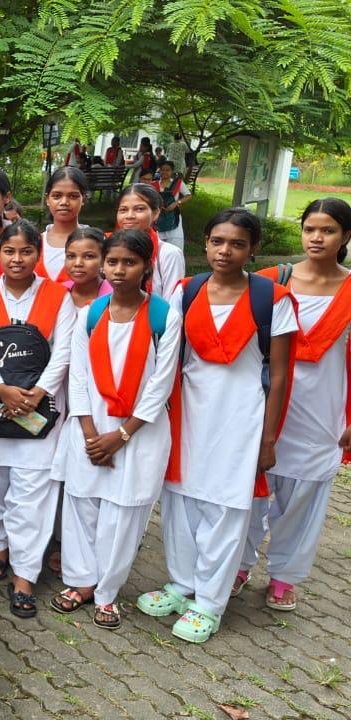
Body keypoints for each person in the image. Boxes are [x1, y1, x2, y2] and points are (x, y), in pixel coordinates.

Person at [137, 208, 295, 643]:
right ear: (204, 243)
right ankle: (181, 584)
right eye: (218, 241)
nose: (226, 250)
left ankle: (208, 602)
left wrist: (269, 437)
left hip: (242, 419)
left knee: (226, 508)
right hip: (189, 414)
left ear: (253, 248)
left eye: (238, 243)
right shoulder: (188, 291)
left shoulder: (272, 298)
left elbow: (279, 373)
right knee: (180, 502)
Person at [52, 229, 180, 629]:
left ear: (146, 267)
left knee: (123, 515)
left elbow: (161, 384)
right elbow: (78, 376)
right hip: (90, 426)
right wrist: (91, 432)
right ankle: (80, 581)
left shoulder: (164, 316)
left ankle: (107, 592)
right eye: (113, 262)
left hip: (138, 432)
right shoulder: (91, 313)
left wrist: (121, 435)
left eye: (130, 262)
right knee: (82, 505)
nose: (120, 270)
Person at [238, 198, 351, 612]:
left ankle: (284, 576)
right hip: (265, 406)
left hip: (323, 410)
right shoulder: (270, 282)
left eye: (328, 231)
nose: (317, 238)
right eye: (310, 229)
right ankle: (239, 563)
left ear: (345, 237)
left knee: (304, 495)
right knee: (250, 491)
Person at [0, 220, 76, 618]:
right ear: (0, 253)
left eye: (26, 251)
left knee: (31, 498)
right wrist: (2, 390)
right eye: (10, 251)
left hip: (38, 412)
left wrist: (36, 394)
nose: (17, 259)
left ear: (39, 254)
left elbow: (63, 350)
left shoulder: (56, 296)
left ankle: (25, 576)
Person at [114, 183, 185, 299]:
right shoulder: (108, 248)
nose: (130, 216)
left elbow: (172, 303)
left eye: (139, 209)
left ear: (156, 213)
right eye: (123, 210)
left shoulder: (169, 254)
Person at [39, 167, 89, 282]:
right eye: (57, 196)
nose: (64, 202)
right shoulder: (34, 242)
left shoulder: (97, 243)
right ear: (47, 199)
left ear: (84, 199)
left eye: (73, 196)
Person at [63, 227, 110, 307]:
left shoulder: (115, 297)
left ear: (103, 260)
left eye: (88, 256)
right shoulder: (58, 291)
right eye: (71, 256)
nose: (78, 263)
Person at [155, 161, 192, 249]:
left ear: (172, 171)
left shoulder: (178, 183)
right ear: (159, 171)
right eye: (162, 170)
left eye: (168, 170)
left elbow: (188, 196)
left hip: (174, 217)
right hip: (158, 218)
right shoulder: (154, 184)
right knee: (158, 244)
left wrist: (176, 203)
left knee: (175, 244)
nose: (164, 172)